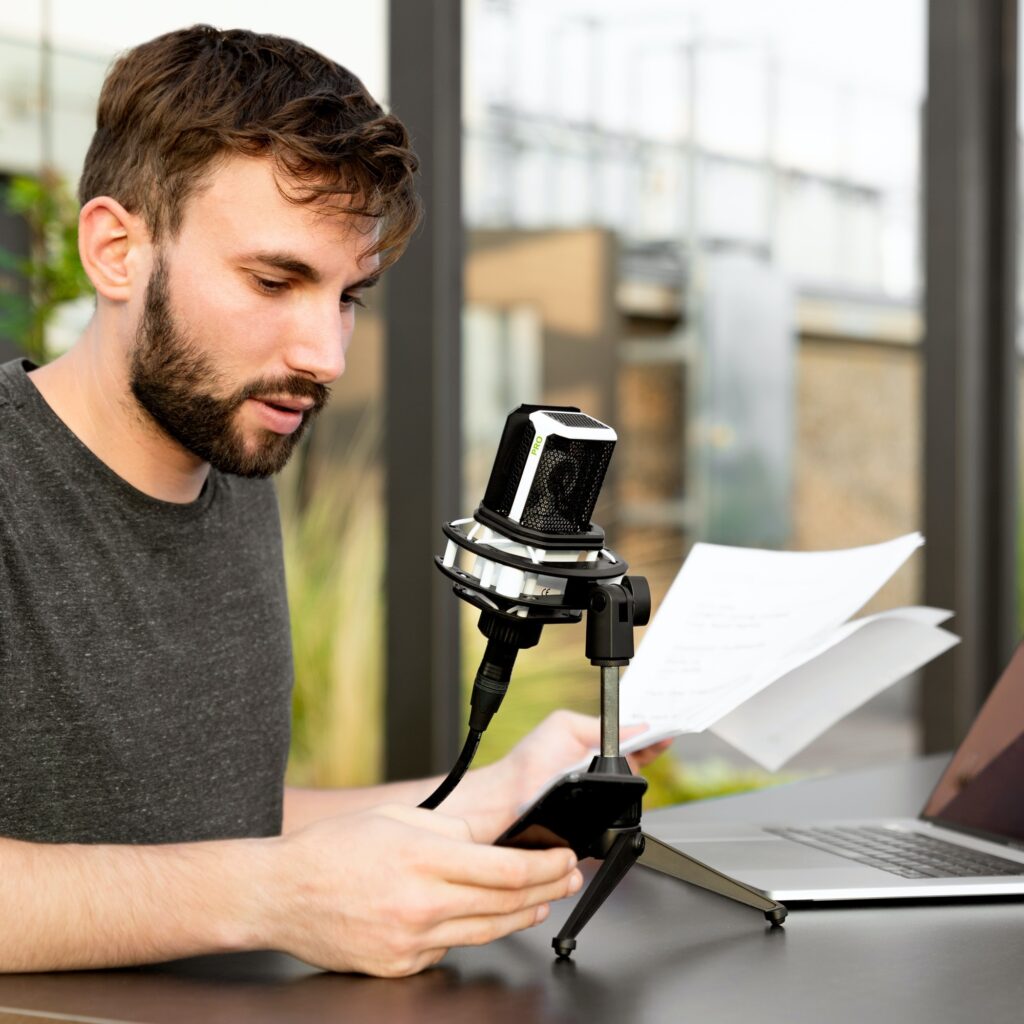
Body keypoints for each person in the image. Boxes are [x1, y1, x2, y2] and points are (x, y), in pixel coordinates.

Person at [0, 25, 669, 977]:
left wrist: (489, 797)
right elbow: (251, 878)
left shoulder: (228, 457)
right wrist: (277, 897)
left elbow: (210, 829)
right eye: (274, 281)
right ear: (116, 250)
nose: (326, 355)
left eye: (348, 295)